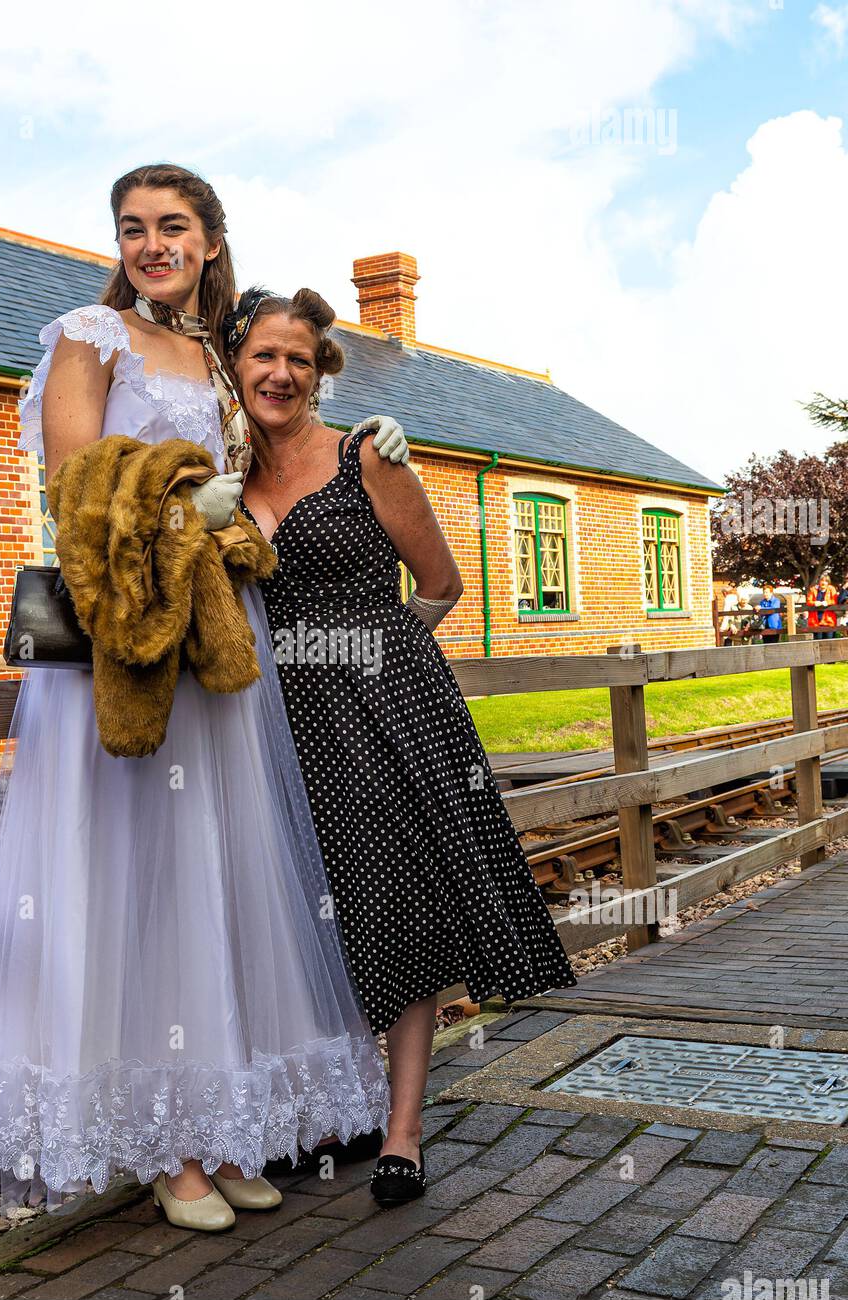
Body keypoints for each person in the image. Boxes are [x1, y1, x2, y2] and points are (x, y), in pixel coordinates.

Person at [0, 164, 397, 1234]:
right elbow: (75, 481)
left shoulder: (220, 360)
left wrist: (362, 456)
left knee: (215, 879)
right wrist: (187, 492)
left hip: (214, 639)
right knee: (136, 874)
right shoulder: (89, 333)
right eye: (133, 228)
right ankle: (166, 1149)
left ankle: (216, 1129)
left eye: (172, 226)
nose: (152, 244)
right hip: (126, 645)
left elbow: (283, 455)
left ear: (210, 240)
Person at [226, 286, 578, 1205]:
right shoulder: (217, 473)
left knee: (394, 905)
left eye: (299, 358)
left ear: (321, 372)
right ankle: (327, 1109)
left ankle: (403, 1130)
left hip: (379, 716)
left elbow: (443, 583)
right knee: (299, 913)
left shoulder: (366, 457)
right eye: (264, 355)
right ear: (235, 365)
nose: (280, 373)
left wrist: (379, 661)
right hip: (267, 720)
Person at [806, 572, 838, 639]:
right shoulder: (813, 590)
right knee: (818, 642)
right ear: (819, 581)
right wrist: (815, 603)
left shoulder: (832, 589)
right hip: (815, 622)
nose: (823, 582)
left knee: (829, 642)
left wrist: (827, 602)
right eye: (822, 580)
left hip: (829, 621)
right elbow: (808, 602)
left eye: (826, 581)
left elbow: (835, 601)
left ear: (828, 583)